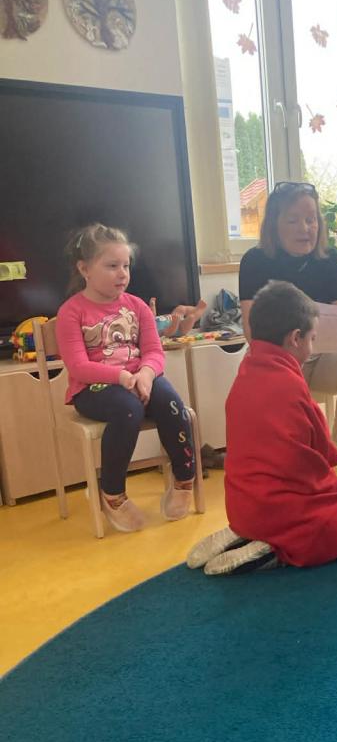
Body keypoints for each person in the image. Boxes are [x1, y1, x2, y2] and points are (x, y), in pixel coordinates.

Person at [186, 281, 337, 576]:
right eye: (312, 339)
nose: (312, 347)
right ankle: (275, 551)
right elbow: (321, 449)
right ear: (295, 338)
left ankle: (246, 533)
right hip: (278, 510)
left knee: (331, 499)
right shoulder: (290, 382)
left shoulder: (246, 370)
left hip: (241, 505)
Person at [56, 223, 196, 532]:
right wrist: (120, 377)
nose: (122, 273)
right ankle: (113, 493)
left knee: (173, 404)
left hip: (138, 378)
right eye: (112, 266)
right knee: (128, 409)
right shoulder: (71, 312)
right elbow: (78, 366)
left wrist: (145, 373)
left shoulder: (137, 307)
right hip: (93, 388)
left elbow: (154, 351)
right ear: (84, 269)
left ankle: (184, 479)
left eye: (126, 266)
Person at [239, 181, 337, 471]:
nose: (305, 228)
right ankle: (290, 452)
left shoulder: (332, 261)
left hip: (323, 358)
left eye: (311, 219)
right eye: (293, 220)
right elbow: (252, 332)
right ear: (275, 225)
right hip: (278, 361)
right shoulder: (255, 261)